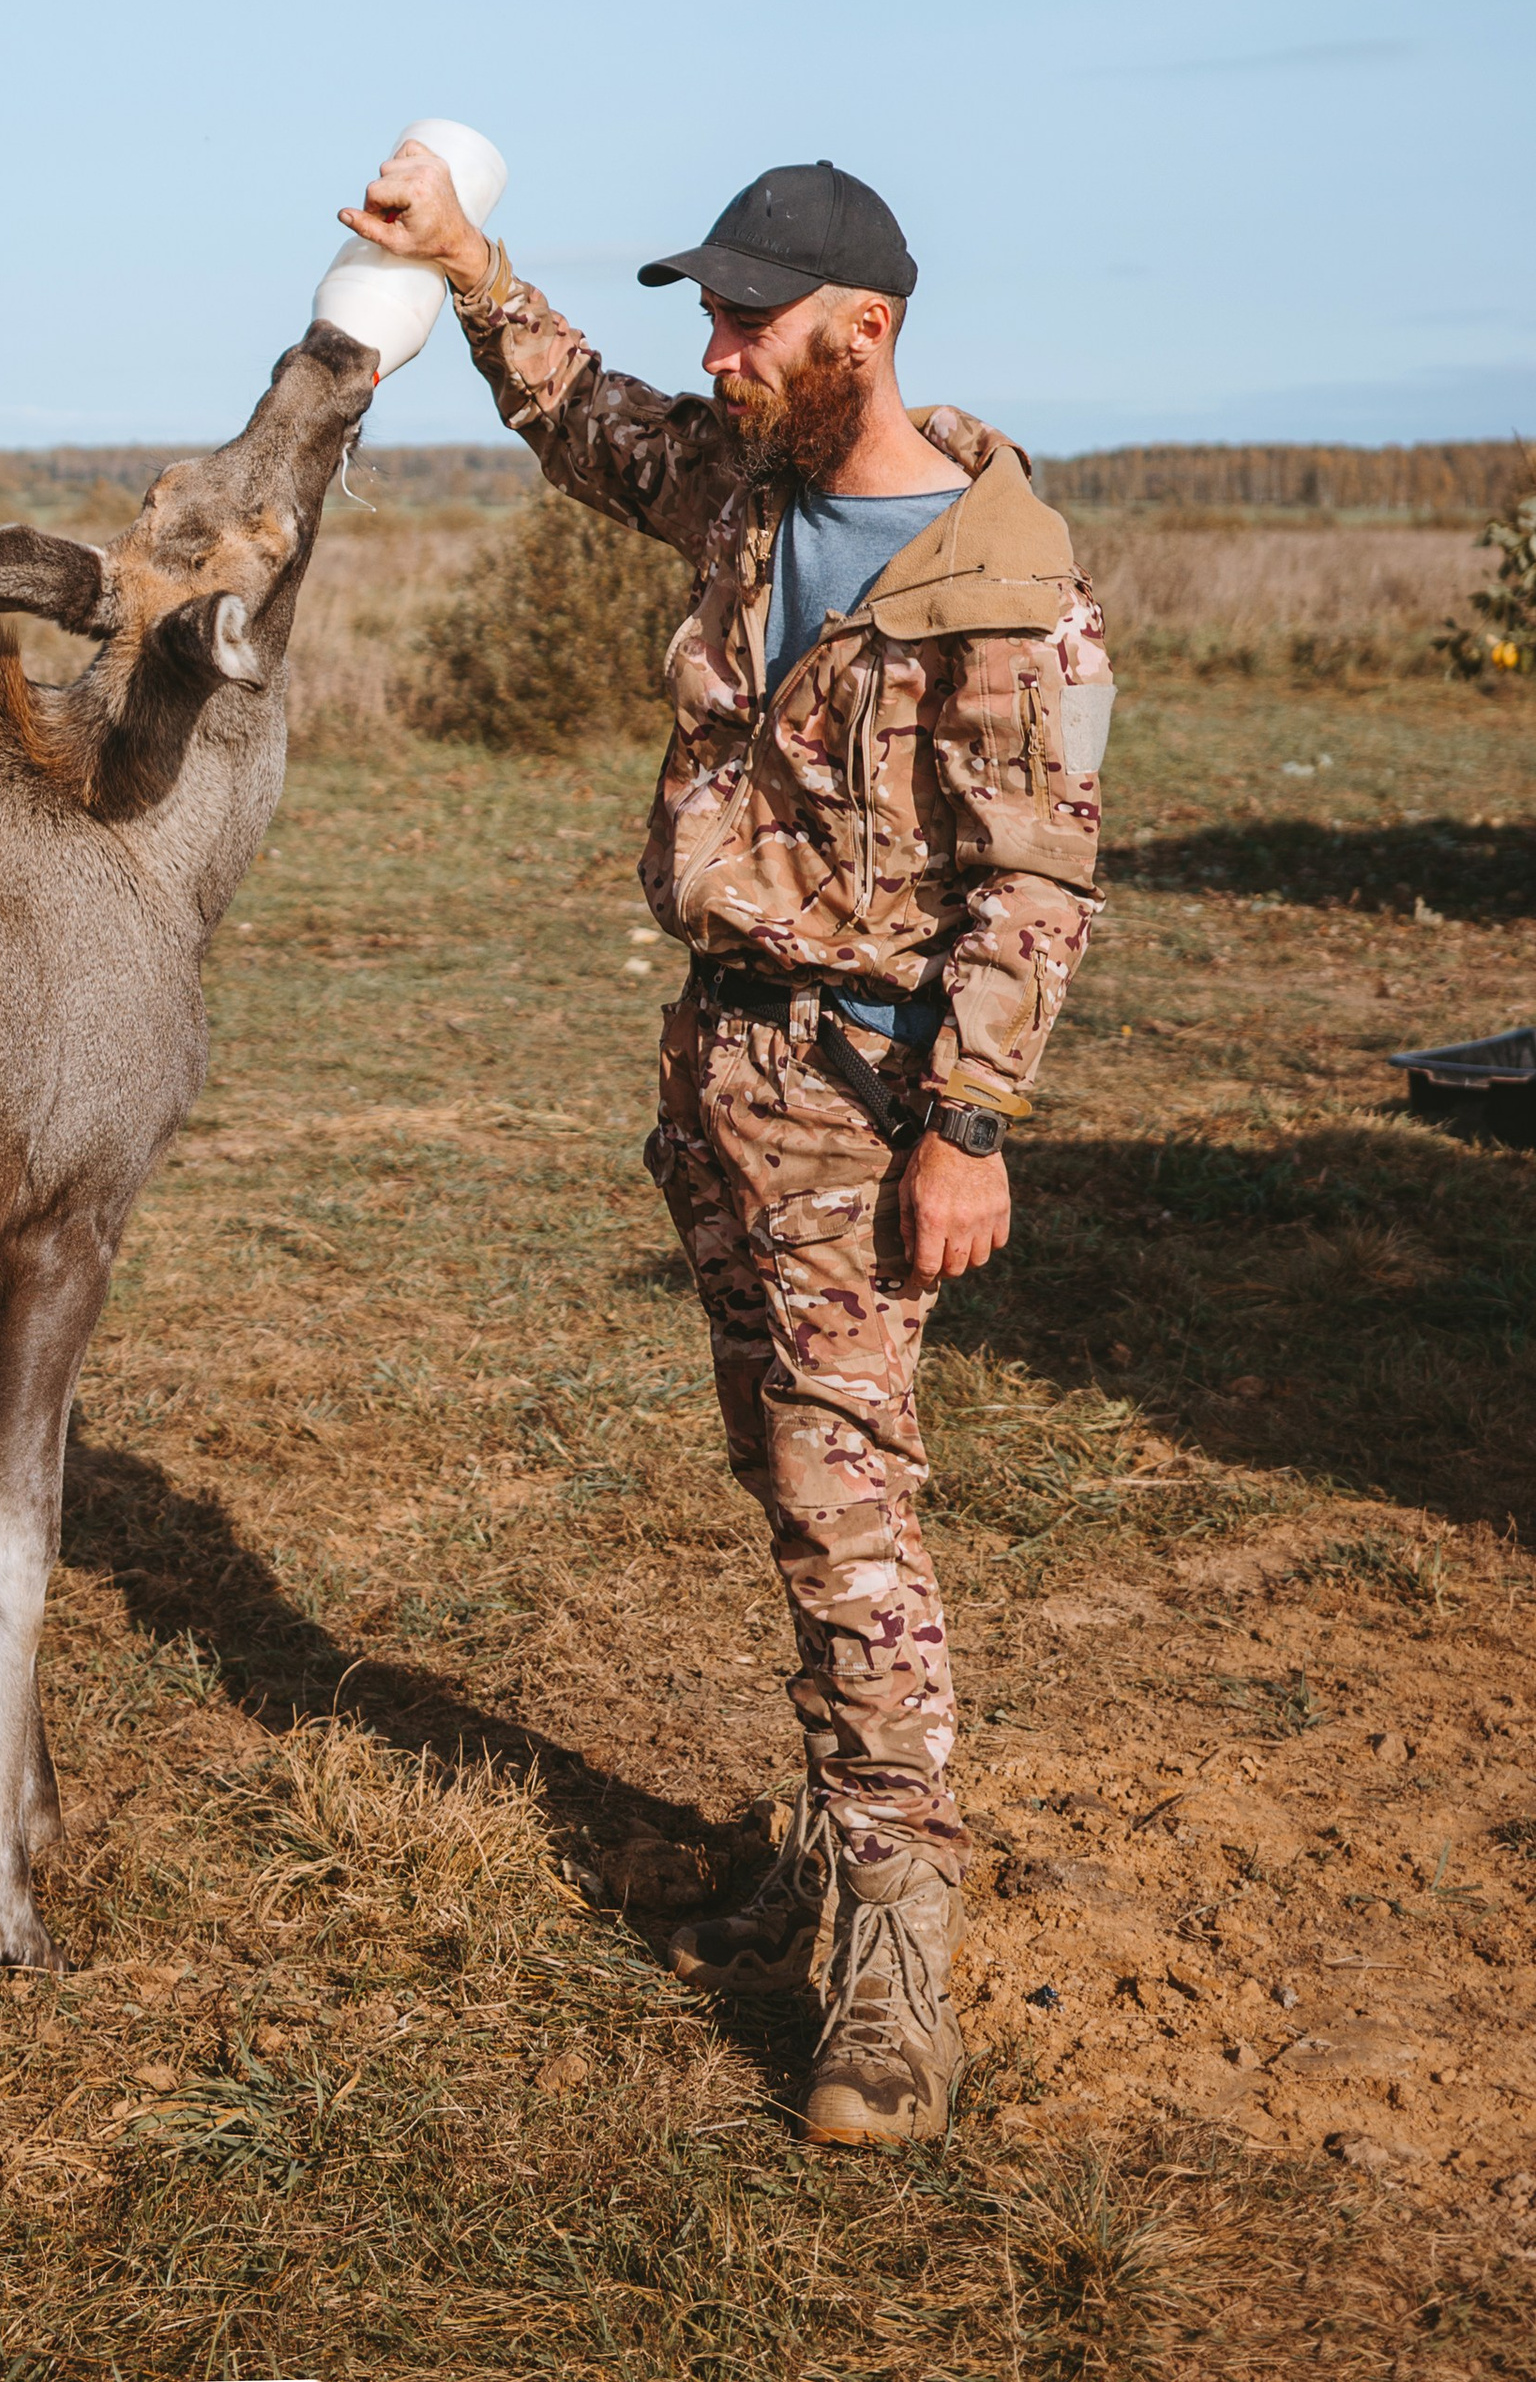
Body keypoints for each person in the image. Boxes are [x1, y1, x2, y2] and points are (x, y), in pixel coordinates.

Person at [337, 145, 1113, 2148]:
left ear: (864, 325)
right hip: (722, 1078)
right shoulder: (748, 491)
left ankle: (897, 1951)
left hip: (866, 1102)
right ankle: (826, 1848)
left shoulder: (1002, 585)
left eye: (751, 320)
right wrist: (467, 262)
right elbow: (580, 416)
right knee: (784, 1475)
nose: (719, 351)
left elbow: (1033, 887)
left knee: (851, 1520)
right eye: (712, 316)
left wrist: (967, 1125)